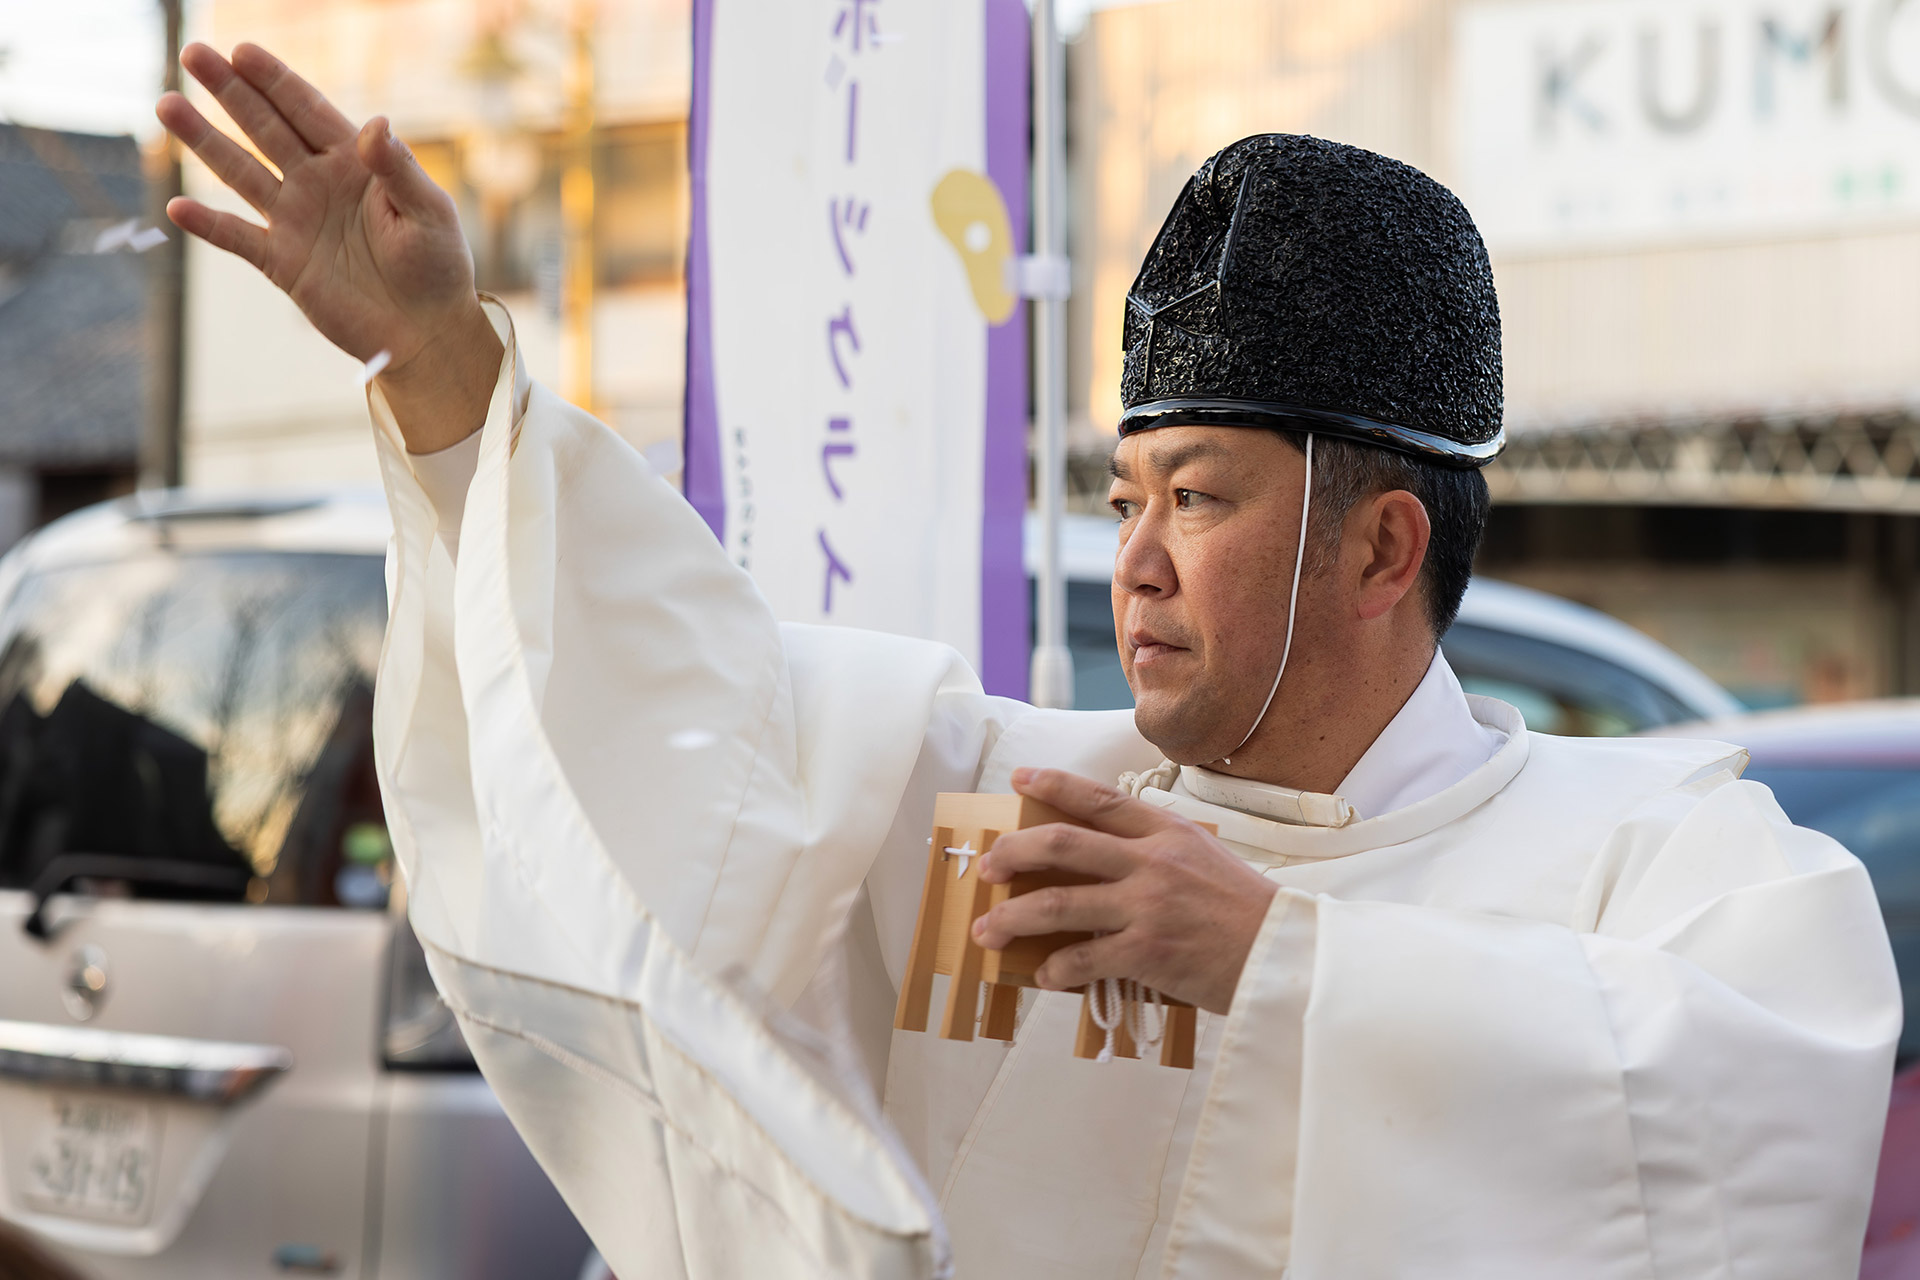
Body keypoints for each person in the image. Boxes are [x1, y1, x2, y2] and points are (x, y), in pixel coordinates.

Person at [158, 44, 1899, 1279]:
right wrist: (449, 369)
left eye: (1199, 497)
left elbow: (1748, 1127)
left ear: (1384, 546)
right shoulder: (1010, 816)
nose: (1132, 560)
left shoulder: (1655, 863)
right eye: (1124, 492)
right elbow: (687, 720)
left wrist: (1278, 966)